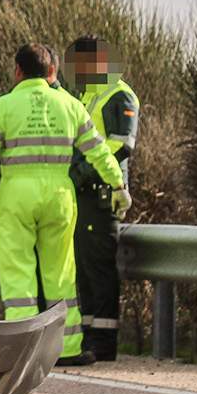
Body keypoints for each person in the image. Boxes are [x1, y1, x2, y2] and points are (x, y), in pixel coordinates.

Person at [0, 43, 127, 366]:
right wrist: (118, 184)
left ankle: (21, 353)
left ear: (17, 71)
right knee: (60, 274)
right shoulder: (70, 104)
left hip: (17, 195)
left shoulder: (3, 107)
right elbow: (99, 151)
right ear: (51, 72)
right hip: (60, 195)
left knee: (19, 276)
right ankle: (69, 348)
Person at [66, 35, 139, 360]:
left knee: (98, 268)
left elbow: (120, 144)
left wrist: (79, 172)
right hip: (81, 194)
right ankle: (89, 339)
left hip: (101, 193)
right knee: (83, 268)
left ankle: (103, 342)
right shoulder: (86, 98)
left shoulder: (119, 94)